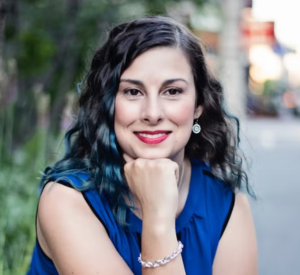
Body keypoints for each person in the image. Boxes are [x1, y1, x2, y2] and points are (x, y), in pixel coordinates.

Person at [27, 16, 257, 275]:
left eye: (172, 91)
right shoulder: (67, 200)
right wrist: (158, 215)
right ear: (109, 104)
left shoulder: (226, 202)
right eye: (133, 92)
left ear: (198, 106)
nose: (152, 113)